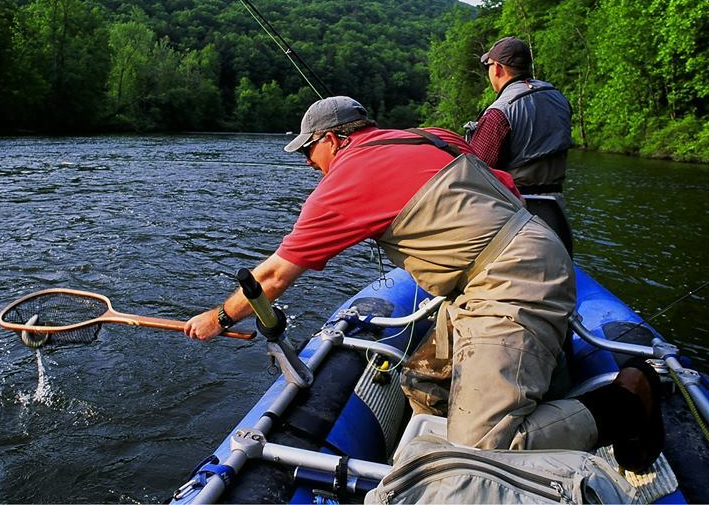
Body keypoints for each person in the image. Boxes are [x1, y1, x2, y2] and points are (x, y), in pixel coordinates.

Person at [185, 96, 662, 471]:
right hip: (526, 251)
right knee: (423, 380)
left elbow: (270, 276)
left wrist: (218, 317)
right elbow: (504, 185)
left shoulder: (347, 179)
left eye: (309, 150)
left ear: (332, 139)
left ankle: (628, 401)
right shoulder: (433, 136)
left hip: (507, 284)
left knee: (483, 448)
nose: (309, 163)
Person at [465, 36, 574, 255]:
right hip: (555, 212)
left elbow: (475, 174)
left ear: (497, 68)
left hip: (515, 215)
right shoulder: (559, 98)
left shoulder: (499, 112)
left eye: (489, 66)